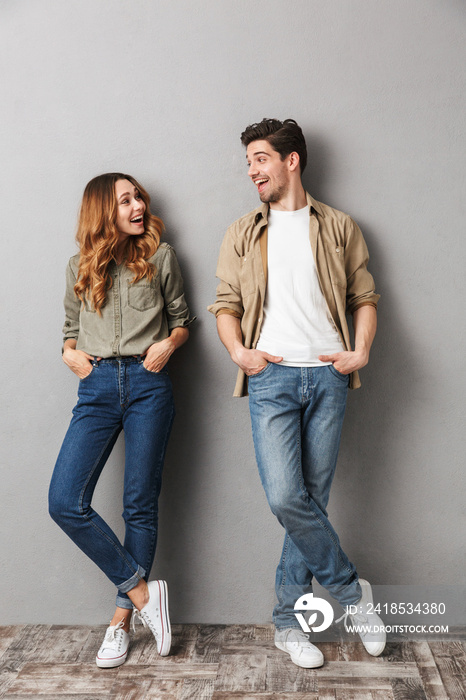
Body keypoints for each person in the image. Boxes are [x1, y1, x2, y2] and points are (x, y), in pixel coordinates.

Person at [208, 118, 385, 668]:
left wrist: (359, 353)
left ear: (291, 160)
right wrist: (241, 354)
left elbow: (365, 294)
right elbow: (225, 304)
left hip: (329, 375)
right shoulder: (243, 230)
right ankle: (355, 595)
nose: (252, 171)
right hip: (272, 378)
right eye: (248, 163)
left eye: (260, 159)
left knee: (310, 499)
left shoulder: (338, 226)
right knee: (288, 497)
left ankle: (288, 623)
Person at [49, 173, 194, 668]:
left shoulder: (161, 258)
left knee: (139, 503)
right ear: (101, 212)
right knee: (65, 501)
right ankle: (144, 595)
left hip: (149, 384)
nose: (137, 206)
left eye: (138, 197)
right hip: (96, 388)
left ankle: (119, 624)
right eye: (124, 200)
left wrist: (168, 344)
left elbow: (183, 319)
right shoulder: (78, 266)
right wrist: (70, 355)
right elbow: (71, 329)